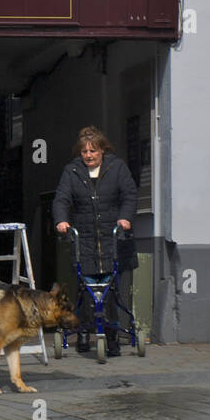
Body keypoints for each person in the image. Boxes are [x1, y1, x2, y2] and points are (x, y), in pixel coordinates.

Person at [52, 125, 138, 355]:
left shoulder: (117, 167)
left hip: (113, 238)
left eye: (93, 151)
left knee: (110, 290)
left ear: (102, 151)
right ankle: (82, 332)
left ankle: (111, 338)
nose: (89, 156)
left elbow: (129, 195)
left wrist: (125, 218)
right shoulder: (72, 171)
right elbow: (61, 198)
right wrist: (61, 221)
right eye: (84, 152)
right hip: (85, 240)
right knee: (85, 289)